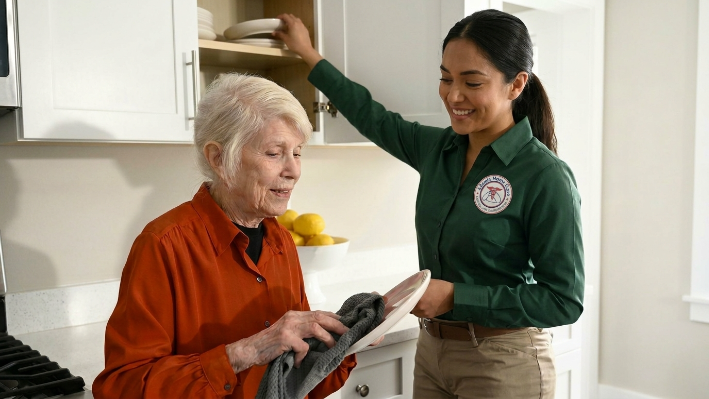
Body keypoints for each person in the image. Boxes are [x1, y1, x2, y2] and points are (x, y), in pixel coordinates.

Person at [275, 9, 584, 399]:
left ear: (516, 85)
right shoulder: (439, 149)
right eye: (445, 78)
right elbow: (371, 115)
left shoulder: (545, 175)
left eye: (472, 82)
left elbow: (563, 300)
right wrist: (307, 52)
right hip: (432, 354)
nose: (453, 96)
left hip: (505, 363)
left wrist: (456, 296)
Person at [92, 73, 356, 399]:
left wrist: (344, 340)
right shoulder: (162, 246)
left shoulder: (282, 242)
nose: (294, 170)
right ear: (219, 159)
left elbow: (296, 377)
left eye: (297, 152)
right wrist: (245, 352)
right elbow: (121, 388)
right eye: (275, 153)